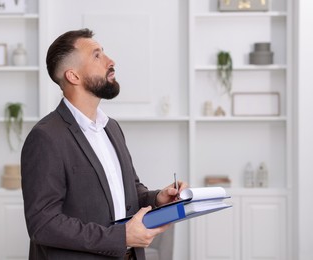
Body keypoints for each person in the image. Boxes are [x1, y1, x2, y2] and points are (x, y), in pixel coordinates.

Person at [21, 28, 188, 260]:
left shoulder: (111, 128)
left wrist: (157, 197)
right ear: (73, 76)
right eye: (97, 55)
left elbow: (131, 191)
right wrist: (120, 238)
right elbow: (43, 223)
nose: (111, 61)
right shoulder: (46, 137)